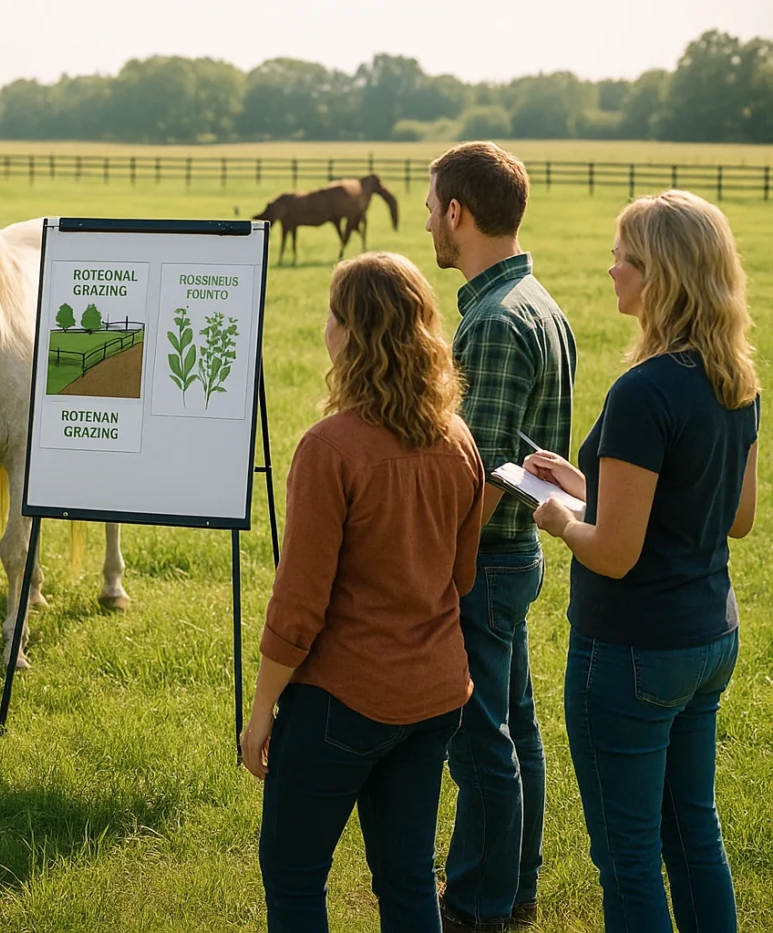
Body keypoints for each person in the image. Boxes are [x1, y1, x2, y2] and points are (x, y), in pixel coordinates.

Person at [525, 190, 757, 933]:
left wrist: (563, 519)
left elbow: (616, 553)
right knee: (695, 835)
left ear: (658, 273)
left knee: (627, 855)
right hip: (708, 639)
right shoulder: (735, 380)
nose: (611, 268)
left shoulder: (641, 391)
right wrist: (592, 485)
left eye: (622, 256)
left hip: (630, 650)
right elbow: (732, 514)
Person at [242, 252, 485, 933]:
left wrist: (262, 711)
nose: (325, 326)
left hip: (341, 703)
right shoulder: (458, 440)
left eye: (332, 313)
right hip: (435, 695)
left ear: (353, 333)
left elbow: (298, 609)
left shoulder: (330, 448)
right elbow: (460, 577)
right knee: (407, 878)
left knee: (293, 877)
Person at [424, 141, 577, 931]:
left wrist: (444, 574)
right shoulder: (541, 302)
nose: (427, 222)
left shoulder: (491, 321)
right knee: (516, 729)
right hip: (522, 552)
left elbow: (478, 476)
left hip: (485, 559)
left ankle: (478, 906)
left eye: (431, 207)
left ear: (458, 212)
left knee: (480, 743)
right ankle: (518, 889)